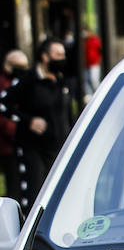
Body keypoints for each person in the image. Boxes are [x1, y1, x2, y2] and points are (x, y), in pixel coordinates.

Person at [0, 39, 73, 213]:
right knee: (34, 195)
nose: (62, 58)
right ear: (45, 56)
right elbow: (4, 104)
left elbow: (67, 114)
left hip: (58, 148)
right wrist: (28, 120)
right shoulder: (29, 80)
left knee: (59, 196)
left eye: (63, 55)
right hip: (33, 148)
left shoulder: (61, 81)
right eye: (58, 55)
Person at [0, 50, 28, 199]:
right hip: (9, 144)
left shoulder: (21, 82)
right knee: (14, 186)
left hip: (19, 143)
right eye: (19, 66)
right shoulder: (3, 85)